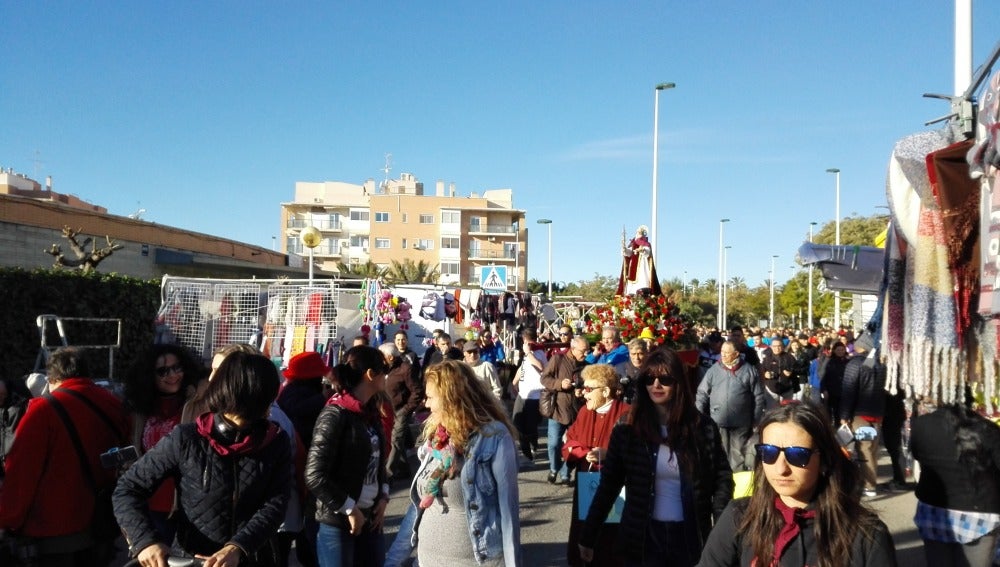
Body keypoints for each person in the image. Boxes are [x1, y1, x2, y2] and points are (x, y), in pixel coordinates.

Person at [115, 351, 291, 567]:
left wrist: (238, 547)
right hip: (190, 559)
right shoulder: (188, 438)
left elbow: (276, 504)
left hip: (252, 557)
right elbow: (128, 487)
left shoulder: (275, 440)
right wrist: (145, 541)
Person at [579, 348, 733, 566]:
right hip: (642, 538)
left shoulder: (702, 427)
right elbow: (609, 485)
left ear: (678, 382)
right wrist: (588, 535)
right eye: (650, 379)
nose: (656, 385)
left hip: (690, 537)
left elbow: (722, 479)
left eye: (665, 379)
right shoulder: (627, 427)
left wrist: (720, 531)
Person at [698, 402, 897, 567]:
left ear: (824, 461)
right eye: (769, 453)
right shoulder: (739, 517)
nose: (781, 468)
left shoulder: (865, 534)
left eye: (797, 456)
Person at [0, 347, 130, 566]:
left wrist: (7, 518)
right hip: (102, 521)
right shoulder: (113, 403)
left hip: (55, 530)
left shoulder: (43, 410)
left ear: (52, 378)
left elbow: (22, 473)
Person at [405, 360, 521, 566]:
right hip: (427, 559)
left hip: (474, 560)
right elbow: (418, 506)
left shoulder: (494, 436)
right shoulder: (436, 436)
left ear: (451, 398)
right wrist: (394, 557)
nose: (426, 404)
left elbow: (508, 510)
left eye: (431, 397)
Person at [305, 346, 391, 567]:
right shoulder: (335, 413)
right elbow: (315, 475)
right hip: (339, 523)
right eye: (383, 370)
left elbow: (378, 462)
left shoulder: (371, 411)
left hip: (371, 519)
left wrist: (383, 495)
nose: (386, 375)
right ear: (370, 374)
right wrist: (350, 508)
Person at [123, 344, 203, 544]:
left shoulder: (196, 405)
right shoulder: (141, 410)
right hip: (150, 503)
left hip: (188, 504)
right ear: (149, 375)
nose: (173, 375)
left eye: (177, 367)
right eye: (163, 371)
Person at [910, 402, 1000, 566]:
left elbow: (917, 454)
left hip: (934, 510)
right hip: (980, 513)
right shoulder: (987, 428)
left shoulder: (920, 425)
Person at [562, 364, 630, 567]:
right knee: (583, 537)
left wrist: (609, 454)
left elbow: (637, 453)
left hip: (615, 489)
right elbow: (569, 442)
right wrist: (583, 452)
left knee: (609, 541)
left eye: (589, 389)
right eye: (584, 388)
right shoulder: (584, 411)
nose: (584, 393)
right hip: (586, 483)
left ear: (606, 391)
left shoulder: (626, 414)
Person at [696, 341, 767, 472]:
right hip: (718, 419)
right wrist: (698, 412)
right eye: (722, 352)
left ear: (736, 354)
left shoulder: (749, 370)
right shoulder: (714, 370)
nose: (723, 355)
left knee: (738, 455)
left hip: (741, 422)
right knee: (719, 452)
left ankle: (737, 487)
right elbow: (702, 392)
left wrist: (756, 418)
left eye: (727, 353)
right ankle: (722, 482)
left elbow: (758, 396)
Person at [837, 333, 885, 498]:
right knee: (872, 449)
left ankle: (869, 485)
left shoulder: (855, 364)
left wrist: (844, 414)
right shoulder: (879, 364)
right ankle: (869, 482)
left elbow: (848, 390)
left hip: (860, 414)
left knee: (864, 449)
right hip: (877, 414)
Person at [540, 335, 589, 485]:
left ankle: (566, 473)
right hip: (557, 410)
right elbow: (544, 379)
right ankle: (554, 468)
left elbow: (588, 386)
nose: (586, 354)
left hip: (576, 411)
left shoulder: (586, 365)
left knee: (574, 446)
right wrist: (560, 383)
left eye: (588, 350)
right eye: (583, 351)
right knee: (554, 444)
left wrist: (582, 392)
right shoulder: (558, 359)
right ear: (573, 349)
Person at [380, 343, 421, 485]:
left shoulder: (405, 369)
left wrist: (406, 409)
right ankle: (404, 469)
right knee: (395, 440)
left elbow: (417, 391)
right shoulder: (384, 369)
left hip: (401, 410)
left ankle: (388, 474)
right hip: (386, 410)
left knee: (395, 440)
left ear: (390, 357)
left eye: (382, 356)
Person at [511, 328, 547, 466]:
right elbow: (523, 368)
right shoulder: (528, 354)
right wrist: (514, 382)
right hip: (523, 394)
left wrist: (528, 353)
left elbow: (541, 367)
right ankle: (526, 454)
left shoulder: (539, 352)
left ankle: (534, 446)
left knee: (531, 427)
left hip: (535, 396)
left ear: (525, 340)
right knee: (517, 424)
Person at [617, 225, 662, 296]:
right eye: (637, 232)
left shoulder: (646, 243)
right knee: (631, 284)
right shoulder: (633, 243)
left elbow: (648, 252)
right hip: (632, 267)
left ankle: (643, 294)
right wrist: (625, 250)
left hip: (642, 265)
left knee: (642, 280)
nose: (638, 234)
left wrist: (642, 249)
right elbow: (629, 253)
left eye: (640, 232)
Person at [760, 336, 798, 407]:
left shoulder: (789, 357)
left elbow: (797, 369)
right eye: (774, 346)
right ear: (771, 346)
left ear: (783, 346)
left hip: (787, 389)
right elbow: (761, 370)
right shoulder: (767, 358)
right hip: (772, 390)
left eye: (779, 346)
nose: (777, 348)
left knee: (787, 411)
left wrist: (791, 372)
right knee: (772, 412)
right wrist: (765, 374)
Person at [819, 341, 850, 427]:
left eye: (842, 349)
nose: (840, 351)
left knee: (843, 413)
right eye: (838, 350)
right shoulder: (829, 361)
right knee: (834, 413)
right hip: (832, 391)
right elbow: (822, 376)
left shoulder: (848, 362)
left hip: (845, 392)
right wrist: (824, 389)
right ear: (834, 351)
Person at [614, 339, 647, 404]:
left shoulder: (651, 368)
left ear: (646, 352)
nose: (637, 357)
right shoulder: (619, 368)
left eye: (640, 354)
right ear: (629, 353)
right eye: (633, 354)